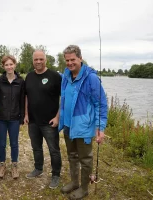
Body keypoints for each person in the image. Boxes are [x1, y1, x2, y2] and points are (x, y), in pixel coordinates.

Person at [58, 45, 107, 199]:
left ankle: (84, 188)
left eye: (73, 59)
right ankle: (74, 182)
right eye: (67, 60)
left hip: (84, 127)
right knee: (72, 155)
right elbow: (64, 99)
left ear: (80, 58)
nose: (70, 63)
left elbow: (101, 104)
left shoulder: (91, 78)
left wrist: (100, 127)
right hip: (68, 125)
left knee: (85, 159)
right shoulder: (66, 76)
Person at [24, 50, 62, 189]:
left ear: (46, 60)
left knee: (54, 150)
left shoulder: (55, 76)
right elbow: (26, 96)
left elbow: (63, 98)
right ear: (33, 61)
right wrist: (26, 114)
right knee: (36, 148)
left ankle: (56, 175)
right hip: (33, 121)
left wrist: (58, 117)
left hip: (50, 122)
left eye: (41, 59)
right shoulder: (29, 76)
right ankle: (38, 168)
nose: (38, 62)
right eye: (36, 59)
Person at [0, 55, 25, 179]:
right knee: (2, 143)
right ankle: (2, 165)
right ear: (3, 66)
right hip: (0, 118)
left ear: (15, 65)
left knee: (14, 143)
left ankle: (14, 165)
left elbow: (22, 100)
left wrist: (22, 116)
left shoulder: (20, 81)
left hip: (14, 118)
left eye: (11, 64)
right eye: (6, 65)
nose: (9, 67)